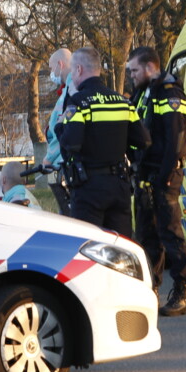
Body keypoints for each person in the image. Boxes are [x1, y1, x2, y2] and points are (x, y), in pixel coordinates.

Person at [57, 46, 149, 239]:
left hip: (88, 188)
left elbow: (71, 144)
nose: (72, 76)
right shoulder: (122, 102)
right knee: (120, 244)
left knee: (88, 245)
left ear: (79, 70)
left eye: (72, 70)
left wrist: (59, 126)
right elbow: (143, 140)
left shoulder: (79, 102)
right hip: (119, 186)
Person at [127, 45, 186, 316]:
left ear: (149, 67)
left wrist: (164, 177)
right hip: (145, 174)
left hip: (165, 175)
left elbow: (176, 139)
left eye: (134, 70)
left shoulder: (170, 93)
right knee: (146, 235)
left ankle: (181, 290)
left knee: (170, 232)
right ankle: (151, 289)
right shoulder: (142, 93)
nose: (131, 75)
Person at [41, 47, 73, 214]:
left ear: (60, 64)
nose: (51, 73)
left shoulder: (70, 92)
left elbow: (61, 129)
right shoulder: (68, 90)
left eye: (51, 68)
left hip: (66, 163)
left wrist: (48, 158)